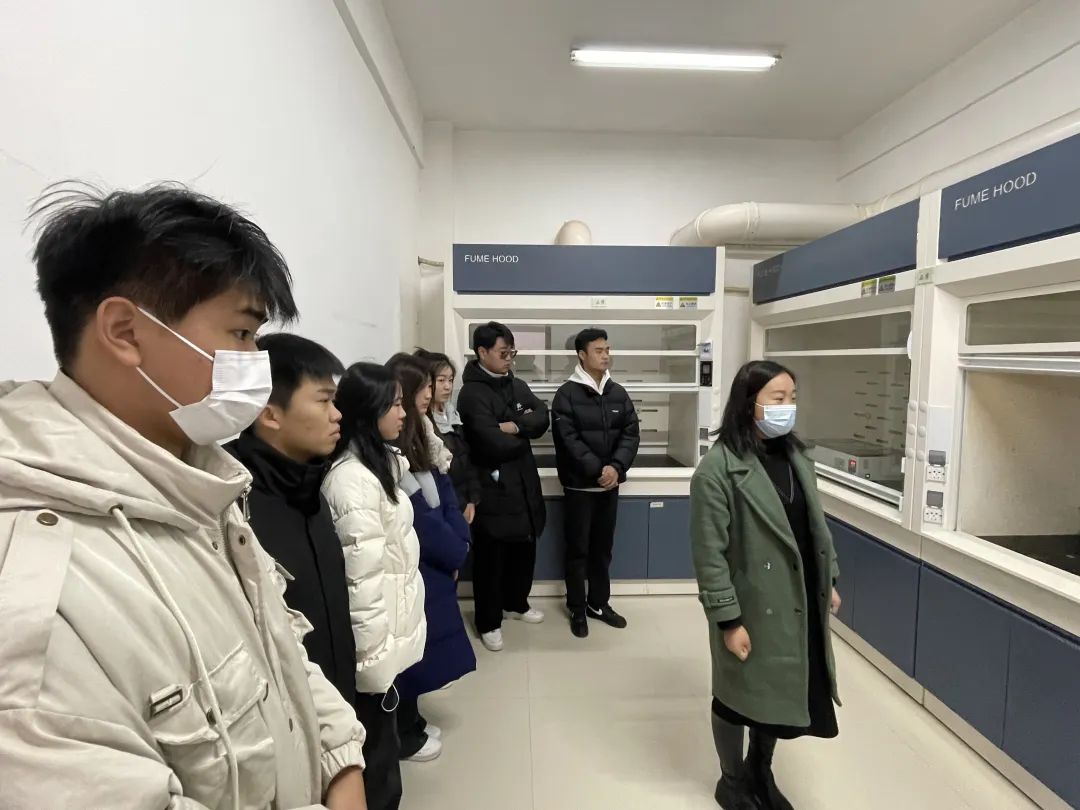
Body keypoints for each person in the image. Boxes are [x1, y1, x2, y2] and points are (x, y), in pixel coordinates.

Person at [0, 183, 367, 808]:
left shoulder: (204, 489)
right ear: (125, 331)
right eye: (242, 333)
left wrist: (340, 766)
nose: (256, 362)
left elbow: (279, 655)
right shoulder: (37, 590)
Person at [228, 334, 403, 810]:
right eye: (324, 401)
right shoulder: (234, 508)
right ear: (270, 413)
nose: (337, 415)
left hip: (345, 704)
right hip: (290, 733)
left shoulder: (311, 487)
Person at [690, 360, 842, 810]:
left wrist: (828, 579)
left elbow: (815, 529)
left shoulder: (798, 459)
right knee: (736, 693)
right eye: (778, 398)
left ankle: (760, 770)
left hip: (796, 598)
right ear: (748, 404)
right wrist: (728, 620)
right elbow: (709, 555)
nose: (787, 407)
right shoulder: (717, 470)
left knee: (775, 689)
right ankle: (731, 781)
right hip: (752, 603)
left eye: (792, 398)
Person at [321, 363, 428, 781]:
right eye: (394, 405)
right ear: (368, 410)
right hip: (371, 653)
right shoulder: (352, 482)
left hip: (388, 631)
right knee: (376, 766)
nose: (403, 414)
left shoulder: (378, 466)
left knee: (384, 752)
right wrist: (374, 665)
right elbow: (360, 583)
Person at [385, 356, 475, 762]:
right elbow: (419, 518)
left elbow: (446, 495)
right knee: (409, 654)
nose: (430, 393)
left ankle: (413, 722)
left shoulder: (424, 432)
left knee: (423, 649)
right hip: (421, 562)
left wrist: (460, 543)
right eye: (424, 386)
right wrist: (454, 550)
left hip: (440, 557)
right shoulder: (390, 454)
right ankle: (404, 732)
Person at [457, 321, 549, 652]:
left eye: (512, 352)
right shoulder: (471, 394)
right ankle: (488, 622)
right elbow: (490, 441)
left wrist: (513, 426)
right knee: (491, 558)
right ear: (482, 352)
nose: (509, 358)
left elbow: (542, 416)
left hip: (523, 482)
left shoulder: (516, 384)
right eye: (503, 352)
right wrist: (521, 433)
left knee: (524, 549)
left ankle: (516, 604)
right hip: (493, 485)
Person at [551, 328, 640, 638]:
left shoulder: (618, 393)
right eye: (599, 351)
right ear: (582, 355)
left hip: (609, 488)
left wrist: (616, 468)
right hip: (580, 488)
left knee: (603, 550)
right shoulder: (566, 395)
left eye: (607, 350)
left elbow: (630, 433)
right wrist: (598, 469)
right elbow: (568, 440)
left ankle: (598, 604)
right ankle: (577, 608)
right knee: (578, 551)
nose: (605, 355)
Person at [413, 349, 481, 527]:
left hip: (466, 500)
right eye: (441, 380)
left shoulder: (452, 413)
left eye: (450, 380)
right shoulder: (425, 423)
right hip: (447, 504)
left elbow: (467, 458)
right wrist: (460, 504)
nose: (448, 386)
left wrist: (472, 498)